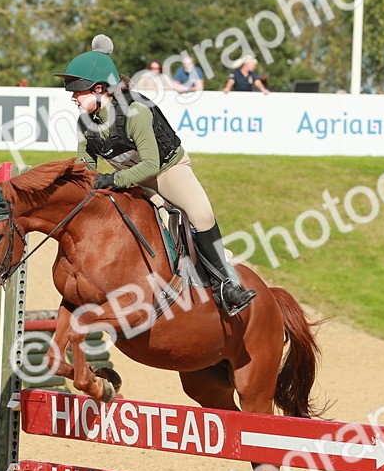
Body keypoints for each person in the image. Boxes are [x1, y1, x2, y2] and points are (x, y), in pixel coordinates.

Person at [55, 35, 256, 316]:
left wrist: (112, 180)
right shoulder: (85, 122)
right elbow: (85, 165)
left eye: (78, 92)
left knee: (201, 215)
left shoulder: (134, 111)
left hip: (166, 170)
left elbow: (150, 164)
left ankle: (226, 284)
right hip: (129, 177)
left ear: (99, 89)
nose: (74, 98)